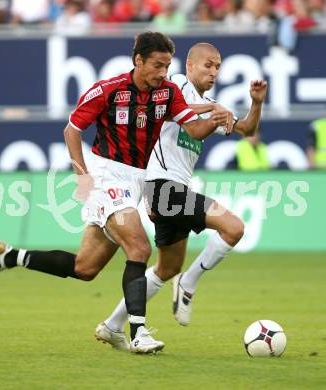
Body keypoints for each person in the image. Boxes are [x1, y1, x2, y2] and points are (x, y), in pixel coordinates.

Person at [0, 32, 231, 354]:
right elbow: (71, 129)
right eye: (157, 65)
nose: (163, 73)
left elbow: (194, 128)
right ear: (138, 61)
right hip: (104, 174)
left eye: (167, 66)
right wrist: (82, 177)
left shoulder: (167, 93)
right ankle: (138, 332)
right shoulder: (108, 90)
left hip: (135, 180)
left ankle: (11, 256)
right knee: (139, 247)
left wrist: (214, 118)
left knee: (85, 268)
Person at [98, 42, 267, 349]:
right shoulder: (174, 86)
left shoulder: (209, 103)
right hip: (162, 187)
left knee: (166, 269)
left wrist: (255, 103)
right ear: (189, 66)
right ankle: (189, 283)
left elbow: (246, 129)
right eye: (208, 65)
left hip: (175, 190)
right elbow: (192, 128)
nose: (213, 72)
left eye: (218, 67)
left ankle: (112, 325)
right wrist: (215, 113)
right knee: (234, 227)